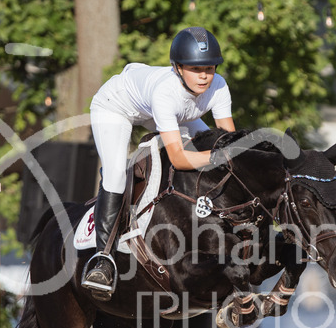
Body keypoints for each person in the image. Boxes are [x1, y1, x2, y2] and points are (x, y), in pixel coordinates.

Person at [82, 26, 236, 300]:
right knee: (116, 175)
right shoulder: (166, 92)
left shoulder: (219, 85)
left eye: (210, 68)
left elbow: (228, 142)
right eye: (195, 68)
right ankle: (103, 259)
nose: (204, 76)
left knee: (216, 148)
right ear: (177, 68)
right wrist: (216, 157)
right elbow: (178, 157)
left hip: (158, 107)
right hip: (115, 106)